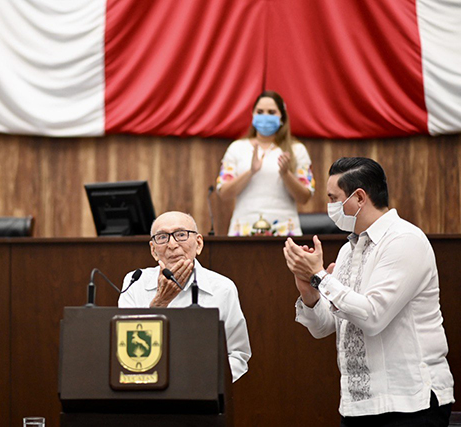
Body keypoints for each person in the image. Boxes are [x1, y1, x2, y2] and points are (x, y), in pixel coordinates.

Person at [283, 157, 454, 426]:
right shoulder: (347, 250)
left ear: (359, 197)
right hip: (358, 403)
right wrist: (310, 290)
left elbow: (373, 317)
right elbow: (324, 327)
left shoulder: (404, 240)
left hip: (409, 403)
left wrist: (319, 276)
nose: (330, 207)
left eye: (334, 198)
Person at [118, 211, 251, 382]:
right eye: (162, 237)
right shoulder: (135, 282)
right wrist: (159, 302)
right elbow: (127, 348)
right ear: (153, 250)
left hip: (202, 392)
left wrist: (207, 383)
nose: (172, 244)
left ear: (199, 244)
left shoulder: (222, 288)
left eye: (181, 235)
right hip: (146, 387)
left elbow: (237, 353)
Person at [217, 90, 314, 236]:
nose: (265, 116)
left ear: (282, 117)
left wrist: (285, 174)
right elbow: (223, 193)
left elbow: (305, 197)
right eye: (260, 111)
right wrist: (251, 172)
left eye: (271, 112)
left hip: (284, 231)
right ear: (253, 115)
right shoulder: (237, 148)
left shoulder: (296, 150)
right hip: (244, 229)